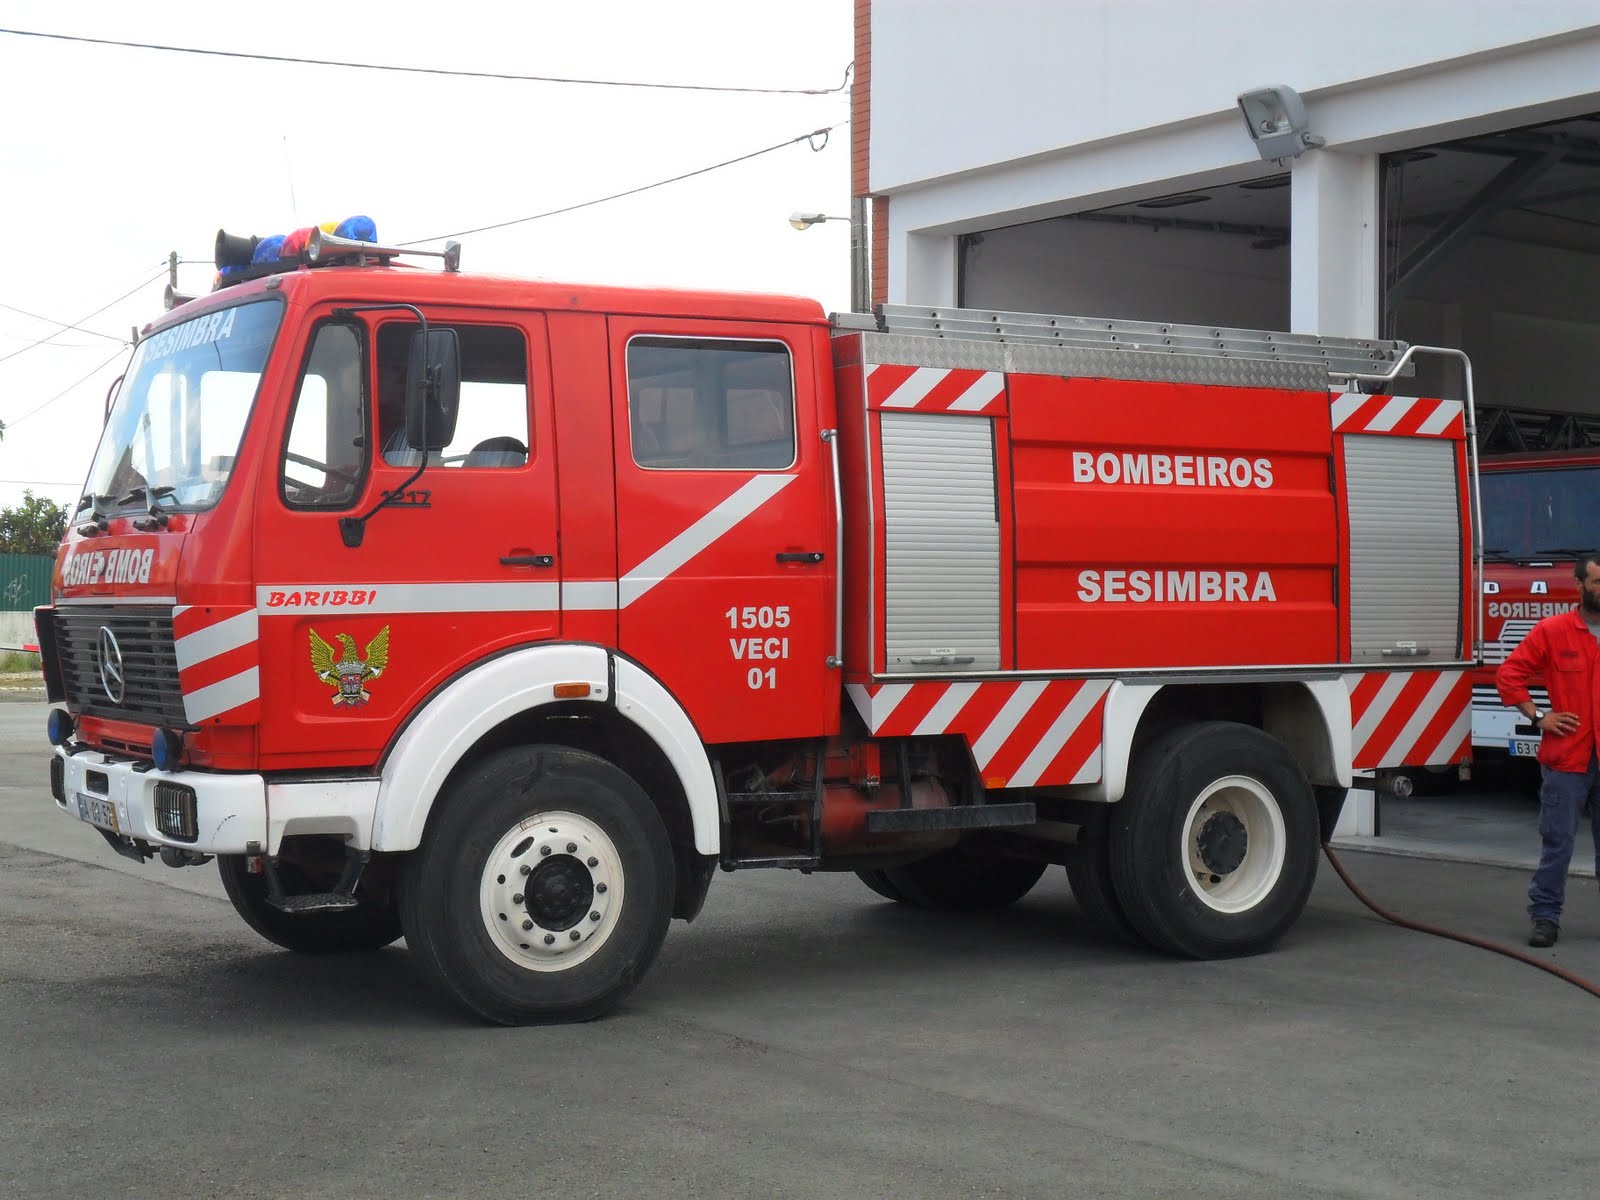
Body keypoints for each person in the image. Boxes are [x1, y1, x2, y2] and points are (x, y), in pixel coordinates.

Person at [1495, 551, 1600, 947]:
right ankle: (1545, 918)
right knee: (1559, 843)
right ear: (1578, 586)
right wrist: (1540, 715)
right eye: (1597, 583)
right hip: (1568, 759)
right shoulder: (1554, 631)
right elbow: (1509, 676)